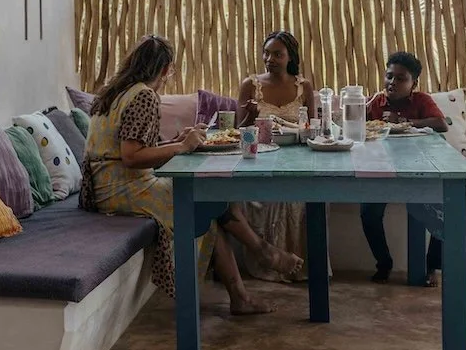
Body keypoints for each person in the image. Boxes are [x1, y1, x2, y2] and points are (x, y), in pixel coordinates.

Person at [80, 34, 301, 314]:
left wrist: (176, 142)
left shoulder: (115, 93)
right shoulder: (144, 96)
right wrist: (181, 146)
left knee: (211, 203)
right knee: (206, 199)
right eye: (170, 70)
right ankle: (261, 253)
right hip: (123, 191)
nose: (169, 76)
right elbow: (131, 157)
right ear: (163, 69)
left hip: (105, 187)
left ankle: (243, 290)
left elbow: (126, 151)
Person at [234, 30, 319, 282]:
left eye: (277, 54)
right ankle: (270, 260)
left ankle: (299, 262)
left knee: (301, 195)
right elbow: (240, 132)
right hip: (261, 156)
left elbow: (312, 128)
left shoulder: (303, 86)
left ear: (290, 57)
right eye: (267, 53)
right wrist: (250, 116)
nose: (270, 59)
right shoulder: (250, 85)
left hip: (297, 156)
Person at [360, 51, 450, 286]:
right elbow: (359, 128)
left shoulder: (421, 101)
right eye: (389, 76)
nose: (393, 83)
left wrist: (406, 123)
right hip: (381, 169)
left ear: (413, 84)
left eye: (401, 79)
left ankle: (431, 266)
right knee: (369, 212)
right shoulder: (375, 103)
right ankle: (384, 263)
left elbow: (441, 124)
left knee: (444, 208)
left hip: (419, 168)